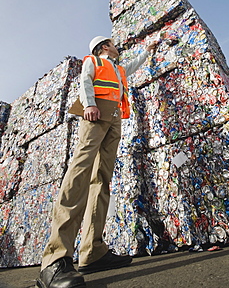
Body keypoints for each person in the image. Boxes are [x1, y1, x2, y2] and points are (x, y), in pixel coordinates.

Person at [36, 36, 158, 288]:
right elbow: (85, 81)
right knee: (80, 171)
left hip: (114, 117)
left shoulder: (120, 69)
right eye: (113, 43)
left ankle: (93, 251)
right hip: (96, 111)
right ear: (104, 47)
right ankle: (55, 258)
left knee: (102, 180)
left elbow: (134, 64)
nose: (117, 47)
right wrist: (89, 104)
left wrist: (148, 51)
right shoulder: (93, 61)